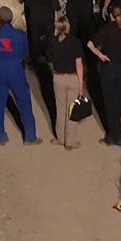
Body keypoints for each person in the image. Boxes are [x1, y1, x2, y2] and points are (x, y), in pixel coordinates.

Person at [0, 6, 41, 146]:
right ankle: (30, 136)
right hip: (16, 72)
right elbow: (25, 48)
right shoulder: (19, 35)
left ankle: (0, 136)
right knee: (24, 102)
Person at [88, 5, 121, 145]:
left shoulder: (107, 30)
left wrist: (101, 55)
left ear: (111, 16)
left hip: (109, 70)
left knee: (109, 104)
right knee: (118, 102)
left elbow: (90, 44)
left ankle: (115, 135)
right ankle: (114, 133)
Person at [47, 13, 85, 149]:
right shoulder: (75, 42)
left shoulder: (52, 41)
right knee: (71, 110)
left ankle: (60, 138)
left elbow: (49, 58)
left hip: (58, 78)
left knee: (60, 109)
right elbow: (79, 65)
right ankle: (70, 142)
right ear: (68, 27)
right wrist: (81, 84)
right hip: (72, 78)